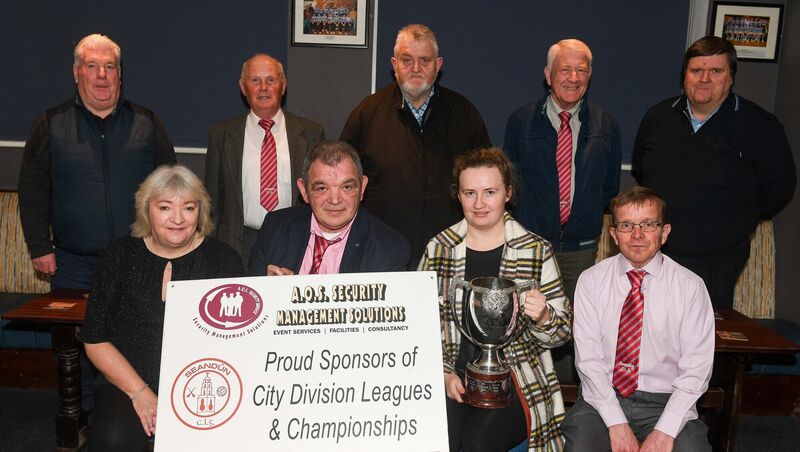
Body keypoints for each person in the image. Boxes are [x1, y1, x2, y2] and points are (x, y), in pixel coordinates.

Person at [80, 165, 244, 451]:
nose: (178, 219)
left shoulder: (223, 260)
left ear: (201, 212)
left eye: (189, 208)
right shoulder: (117, 256)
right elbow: (95, 339)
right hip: (127, 381)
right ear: (147, 210)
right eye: (165, 207)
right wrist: (140, 393)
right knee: (114, 440)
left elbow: (240, 342)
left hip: (203, 383)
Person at [419, 147, 571, 451]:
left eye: (490, 192)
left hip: (517, 378)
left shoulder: (536, 250)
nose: (479, 203)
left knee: (479, 442)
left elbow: (563, 333)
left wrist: (543, 316)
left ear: (508, 193)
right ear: (458, 196)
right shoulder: (438, 249)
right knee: (438, 439)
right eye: (469, 192)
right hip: (452, 373)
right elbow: (419, 330)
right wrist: (444, 374)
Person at [632, 36, 796, 309]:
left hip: (718, 261)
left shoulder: (758, 124)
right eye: (696, 70)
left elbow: (781, 184)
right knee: (650, 332)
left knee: (705, 339)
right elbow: (641, 169)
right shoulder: (658, 117)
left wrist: (738, 220)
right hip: (656, 253)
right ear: (684, 75)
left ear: (730, 78)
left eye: (716, 71)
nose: (704, 79)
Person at [18, 33, 176, 290]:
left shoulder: (147, 123)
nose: (102, 74)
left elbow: (171, 189)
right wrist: (39, 247)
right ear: (77, 72)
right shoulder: (50, 124)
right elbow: (32, 192)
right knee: (77, 332)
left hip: (139, 258)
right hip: (73, 265)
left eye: (110, 66)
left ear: (119, 75)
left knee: (138, 331)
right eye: (92, 66)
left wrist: (170, 245)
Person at [562, 187, 714, 452]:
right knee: (582, 446)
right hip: (603, 397)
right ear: (613, 235)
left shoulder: (691, 286)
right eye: (626, 225)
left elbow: (696, 371)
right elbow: (588, 362)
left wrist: (665, 431)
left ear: (664, 232)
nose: (637, 235)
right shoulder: (591, 281)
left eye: (648, 224)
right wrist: (616, 423)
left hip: (667, 400)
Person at [340, 23, 491, 260]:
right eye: (407, 60)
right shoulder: (367, 114)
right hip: (382, 250)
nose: (416, 69)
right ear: (394, 65)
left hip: (450, 250)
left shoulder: (464, 114)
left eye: (424, 61)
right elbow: (343, 181)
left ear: (438, 66)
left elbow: (488, 179)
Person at [503, 38, 621, 303]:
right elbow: (508, 185)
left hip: (581, 250)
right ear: (548, 75)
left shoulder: (607, 124)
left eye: (581, 70)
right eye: (565, 70)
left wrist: (584, 214)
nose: (573, 78)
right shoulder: (521, 122)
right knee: (527, 322)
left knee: (576, 328)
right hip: (530, 246)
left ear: (589, 75)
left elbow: (610, 187)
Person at [205, 53, 325, 266]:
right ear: (243, 87)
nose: (263, 88)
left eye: (271, 80)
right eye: (255, 81)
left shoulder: (311, 133)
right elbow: (212, 201)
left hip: (294, 240)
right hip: (238, 242)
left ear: (283, 86)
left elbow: (318, 194)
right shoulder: (222, 134)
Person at [248, 140, 409, 276]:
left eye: (346, 187)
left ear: (362, 188)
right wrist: (268, 290)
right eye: (322, 188)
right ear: (304, 191)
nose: (335, 200)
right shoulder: (275, 228)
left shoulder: (389, 248)